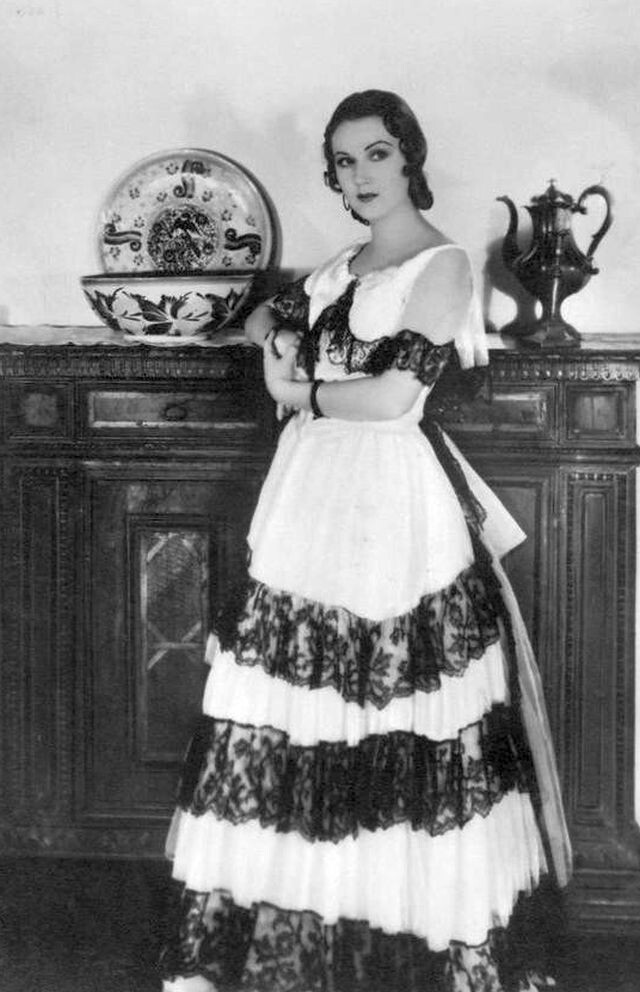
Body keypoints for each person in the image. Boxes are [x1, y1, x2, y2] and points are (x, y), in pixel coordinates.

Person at [159, 89, 572, 992]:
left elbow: (391, 398)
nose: (360, 175)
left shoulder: (444, 265)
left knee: (389, 711)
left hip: (389, 504)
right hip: (310, 496)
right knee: (298, 711)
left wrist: (299, 392)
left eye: (377, 154)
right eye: (344, 162)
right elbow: (265, 313)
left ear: (410, 158)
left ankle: (405, 946)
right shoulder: (339, 267)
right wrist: (276, 337)